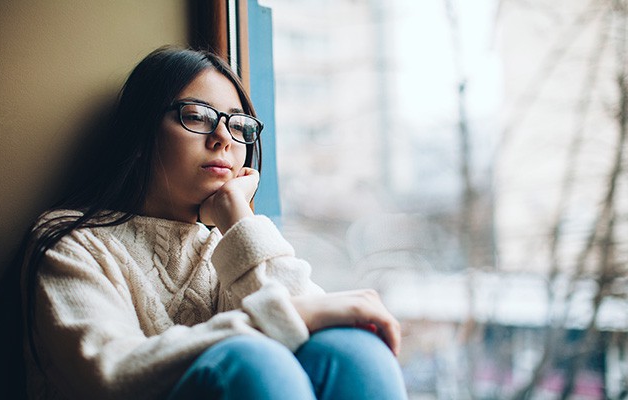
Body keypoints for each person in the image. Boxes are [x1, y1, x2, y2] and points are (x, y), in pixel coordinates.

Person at [21, 46, 408, 400]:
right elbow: (111, 374)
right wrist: (293, 316)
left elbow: (301, 318)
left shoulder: (223, 245)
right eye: (197, 116)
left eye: (239, 125)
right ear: (141, 135)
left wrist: (237, 216)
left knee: (355, 351)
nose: (224, 137)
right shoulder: (70, 240)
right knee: (252, 360)